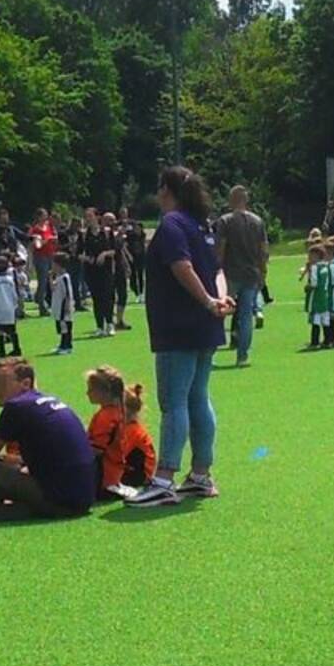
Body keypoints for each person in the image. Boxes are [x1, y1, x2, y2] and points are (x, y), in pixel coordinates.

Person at [125, 167, 232, 508]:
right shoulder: (203, 225)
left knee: (174, 402)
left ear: (166, 190)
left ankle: (164, 479)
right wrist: (219, 299)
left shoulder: (171, 225)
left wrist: (206, 301)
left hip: (178, 326)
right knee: (198, 398)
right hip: (204, 326)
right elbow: (216, 270)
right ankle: (201, 474)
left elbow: (181, 267)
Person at [0, 359, 96, 520]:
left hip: (55, 497)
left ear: (26, 383)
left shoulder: (16, 406)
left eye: (2, 382)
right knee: (5, 465)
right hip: (83, 499)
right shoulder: (52, 402)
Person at [215, 186, 269, 368]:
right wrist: (263, 272)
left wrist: (216, 269)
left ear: (231, 200)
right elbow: (263, 250)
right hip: (251, 273)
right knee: (246, 316)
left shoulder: (225, 221)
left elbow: (220, 248)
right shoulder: (258, 221)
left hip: (230, 273)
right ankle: (242, 355)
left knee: (220, 312)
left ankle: (210, 352)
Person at [85, 364, 129, 497]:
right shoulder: (117, 412)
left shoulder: (106, 416)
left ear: (105, 392)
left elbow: (96, 450)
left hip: (103, 478)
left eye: (91, 389)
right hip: (113, 475)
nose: (87, 393)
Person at [81, 211, 116, 339]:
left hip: (106, 270)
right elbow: (78, 253)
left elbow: (114, 250)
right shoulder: (84, 235)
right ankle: (99, 326)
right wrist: (87, 258)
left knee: (107, 296)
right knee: (96, 299)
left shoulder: (107, 232)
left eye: (90, 216)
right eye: (86, 217)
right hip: (91, 271)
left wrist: (104, 254)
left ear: (97, 217)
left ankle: (110, 324)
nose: (88, 219)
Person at [120, 384, 156, 489]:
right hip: (131, 469)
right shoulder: (125, 428)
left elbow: (118, 454)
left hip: (139, 475)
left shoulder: (132, 430)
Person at [49, 251, 76, 354]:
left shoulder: (65, 277)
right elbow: (53, 288)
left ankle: (67, 346)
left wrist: (67, 305)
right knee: (61, 327)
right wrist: (51, 277)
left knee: (66, 327)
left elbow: (68, 293)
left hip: (64, 307)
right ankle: (62, 344)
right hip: (58, 307)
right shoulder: (58, 277)